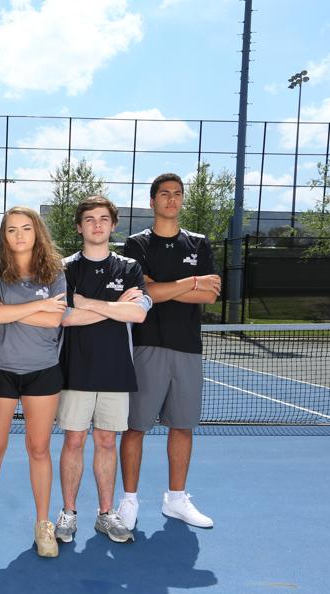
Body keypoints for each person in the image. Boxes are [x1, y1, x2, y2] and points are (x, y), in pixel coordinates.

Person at [119, 173, 222, 530]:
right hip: (147, 346)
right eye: (164, 194)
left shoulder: (199, 244)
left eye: (177, 194)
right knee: (135, 427)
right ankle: (129, 501)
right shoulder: (136, 245)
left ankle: (176, 499)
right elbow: (144, 291)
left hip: (188, 348)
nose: (172, 200)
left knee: (183, 426)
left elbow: (210, 295)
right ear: (153, 201)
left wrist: (165, 289)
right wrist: (191, 282)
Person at [54, 195, 151, 545]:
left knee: (107, 441)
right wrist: (114, 308)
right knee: (74, 440)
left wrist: (89, 304)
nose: (97, 224)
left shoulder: (129, 268)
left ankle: (106, 514)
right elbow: (63, 318)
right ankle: (68, 512)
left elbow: (138, 313)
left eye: (104, 219)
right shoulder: (64, 268)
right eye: (90, 219)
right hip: (74, 370)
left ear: (113, 225)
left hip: (115, 370)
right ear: (79, 227)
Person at [0, 206, 67, 558]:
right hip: (1, 372)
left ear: (37, 232)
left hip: (44, 371)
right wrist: (37, 307)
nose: (19, 235)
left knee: (39, 449)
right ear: (4, 236)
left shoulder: (55, 271)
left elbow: (56, 319)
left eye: (26, 228)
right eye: (11, 230)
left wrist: (18, 310)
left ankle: (44, 524)